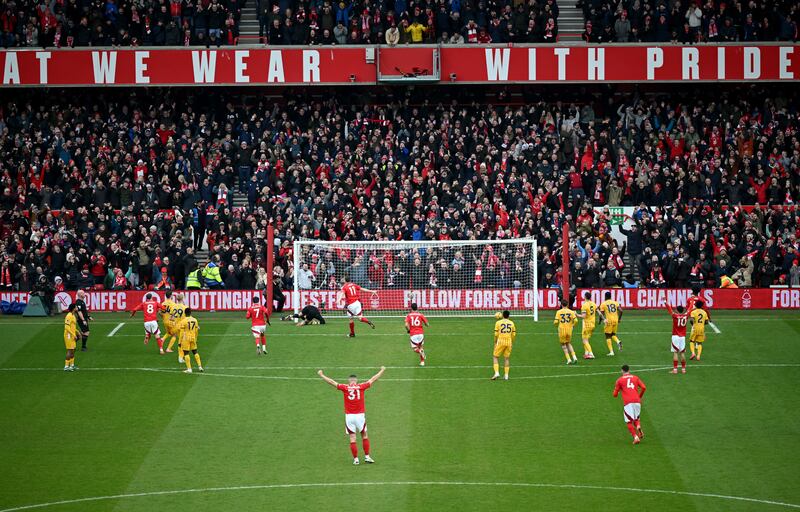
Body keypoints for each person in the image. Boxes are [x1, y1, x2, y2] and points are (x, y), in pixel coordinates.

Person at [317, 366, 386, 465]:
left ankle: (356, 459)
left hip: (349, 417)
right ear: (356, 381)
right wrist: (382, 370)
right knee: (364, 436)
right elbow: (373, 379)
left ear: (349, 381)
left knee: (352, 438)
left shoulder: (345, 387)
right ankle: (367, 456)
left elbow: (332, 382)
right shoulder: (361, 386)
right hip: (360, 416)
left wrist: (321, 375)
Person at [612, 365, 647, 445]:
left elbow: (614, 395)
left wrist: (618, 390)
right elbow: (644, 387)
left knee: (628, 421)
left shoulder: (619, 380)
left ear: (622, 371)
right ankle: (638, 427)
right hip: (637, 401)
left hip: (628, 402)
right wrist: (639, 396)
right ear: (629, 370)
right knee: (636, 417)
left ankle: (635, 437)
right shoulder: (635, 377)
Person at [492, 310, 516, 380]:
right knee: (506, 358)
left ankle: (496, 373)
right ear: (509, 316)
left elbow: (496, 334)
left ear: (502, 315)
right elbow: (514, 334)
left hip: (500, 341)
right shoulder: (512, 323)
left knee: (495, 357)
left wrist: (495, 342)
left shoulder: (498, 322)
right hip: (509, 342)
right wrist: (512, 342)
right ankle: (506, 376)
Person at [177, 307, 203, 373]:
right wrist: (196, 338)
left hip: (186, 338)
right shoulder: (195, 320)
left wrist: (179, 341)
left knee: (186, 353)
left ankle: (189, 369)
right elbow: (196, 330)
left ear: (185, 313)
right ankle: (200, 366)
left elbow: (182, 332)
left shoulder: (183, 321)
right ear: (191, 313)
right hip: (193, 337)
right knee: (195, 352)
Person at [554, 299, 579, 365]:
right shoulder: (571, 312)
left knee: (563, 345)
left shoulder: (558, 312)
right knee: (568, 343)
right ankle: (574, 357)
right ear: (567, 304)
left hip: (562, 330)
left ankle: (568, 359)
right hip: (569, 330)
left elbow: (556, 322)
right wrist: (573, 326)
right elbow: (576, 320)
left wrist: (556, 325)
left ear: (561, 305)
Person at [599, 292, 623, 356]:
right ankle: (618, 341)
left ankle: (611, 352)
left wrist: (600, 320)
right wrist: (619, 319)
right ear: (610, 296)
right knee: (613, 334)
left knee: (607, 336)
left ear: (605, 296)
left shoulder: (603, 304)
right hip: (616, 320)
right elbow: (621, 310)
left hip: (609, 321)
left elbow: (601, 314)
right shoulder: (615, 302)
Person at [667, 304, 688, 373]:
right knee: (682, 353)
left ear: (677, 310)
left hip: (675, 336)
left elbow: (669, 308)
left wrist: (665, 301)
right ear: (683, 310)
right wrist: (692, 301)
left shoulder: (674, 316)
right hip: (682, 337)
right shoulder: (686, 315)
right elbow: (690, 308)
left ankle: (675, 369)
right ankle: (683, 369)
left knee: (675, 352)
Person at [578, 291, 597, 359]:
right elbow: (598, 312)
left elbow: (583, 316)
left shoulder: (584, 305)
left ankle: (591, 354)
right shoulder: (593, 304)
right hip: (593, 324)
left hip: (587, 325)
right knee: (587, 339)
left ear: (585, 297)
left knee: (584, 340)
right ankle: (586, 353)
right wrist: (604, 319)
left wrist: (576, 315)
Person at [169, 294, 187, 362]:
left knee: (180, 342)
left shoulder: (173, 307)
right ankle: (181, 357)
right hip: (183, 326)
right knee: (183, 342)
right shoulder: (185, 307)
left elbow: (171, 318)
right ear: (182, 299)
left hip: (176, 326)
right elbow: (187, 318)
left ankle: (181, 357)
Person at [63, 303, 78, 371]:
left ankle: (72, 365)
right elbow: (66, 327)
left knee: (73, 349)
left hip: (72, 334)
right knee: (69, 350)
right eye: (76, 307)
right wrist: (73, 334)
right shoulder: (68, 316)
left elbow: (73, 327)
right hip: (68, 335)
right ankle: (66, 366)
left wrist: (77, 332)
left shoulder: (73, 315)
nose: (77, 308)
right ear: (73, 308)